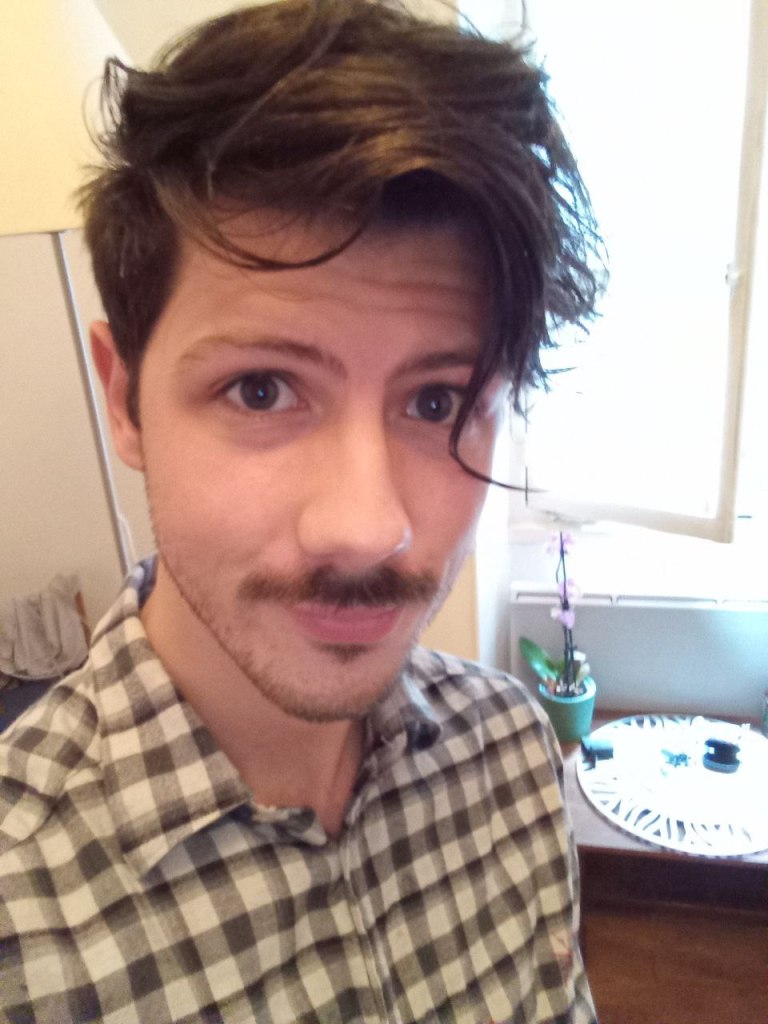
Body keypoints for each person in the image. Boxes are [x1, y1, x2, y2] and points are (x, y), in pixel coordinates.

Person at [0, 1, 604, 1021]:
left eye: (438, 401)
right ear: (125, 399)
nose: (369, 528)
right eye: (263, 389)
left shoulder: (513, 754)